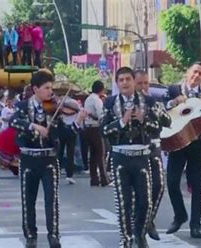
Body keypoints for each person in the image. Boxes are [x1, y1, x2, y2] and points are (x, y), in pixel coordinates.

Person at [10, 69, 85, 248]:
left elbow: (63, 133)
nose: (50, 92)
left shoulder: (54, 109)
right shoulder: (22, 107)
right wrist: (35, 126)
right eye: (46, 88)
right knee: (28, 200)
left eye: (51, 88)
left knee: (52, 200)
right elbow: (13, 122)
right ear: (35, 89)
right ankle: (30, 235)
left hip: (49, 160)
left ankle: (54, 235)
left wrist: (78, 121)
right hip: (28, 159)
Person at [163, 62, 201, 239]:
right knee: (172, 181)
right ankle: (180, 215)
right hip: (178, 142)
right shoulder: (174, 90)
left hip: (199, 144)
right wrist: (174, 102)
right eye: (194, 72)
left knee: (197, 185)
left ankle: (195, 225)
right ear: (187, 73)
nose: (197, 76)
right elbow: (161, 109)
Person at [102, 67, 160, 248]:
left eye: (128, 79)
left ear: (134, 81)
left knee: (145, 201)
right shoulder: (110, 103)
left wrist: (144, 119)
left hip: (142, 155)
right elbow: (103, 130)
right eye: (121, 80)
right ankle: (126, 239)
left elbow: (158, 127)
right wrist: (121, 122)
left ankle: (140, 234)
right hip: (120, 157)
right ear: (117, 83)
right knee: (124, 201)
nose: (125, 83)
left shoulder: (148, 101)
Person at [134, 70, 171, 240]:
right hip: (136, 150)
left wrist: (155, 109)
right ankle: (138, 225)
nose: (143, 87)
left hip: (154, 147)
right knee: (140, 191)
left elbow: (167, 121)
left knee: (158, 185)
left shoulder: (154, 101)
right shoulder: (128, 103)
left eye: (146, 83)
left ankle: (149, 220)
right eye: (139, 83)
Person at [83, 80, 110, 186]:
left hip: (87, 128)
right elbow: (101, 115)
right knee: (100, 153)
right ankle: (104, 178)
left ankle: (93, 178)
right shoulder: (97, 100)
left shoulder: (88, 99)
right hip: (96, 128)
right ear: (101, 90)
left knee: (92, 155)